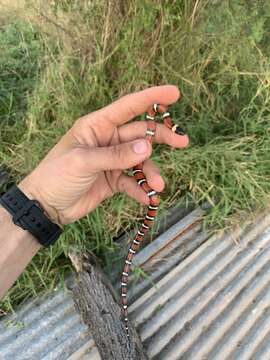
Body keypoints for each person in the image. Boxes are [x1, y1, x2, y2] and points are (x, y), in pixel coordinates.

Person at [0, 85, 189, 299]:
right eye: (174, 126)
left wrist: (42, 200)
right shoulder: (155, 115)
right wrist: (42, 202)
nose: (174, 126)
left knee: (151, 190)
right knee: (151, 192)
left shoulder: (157, 115)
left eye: (174, 127)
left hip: (43, 212)